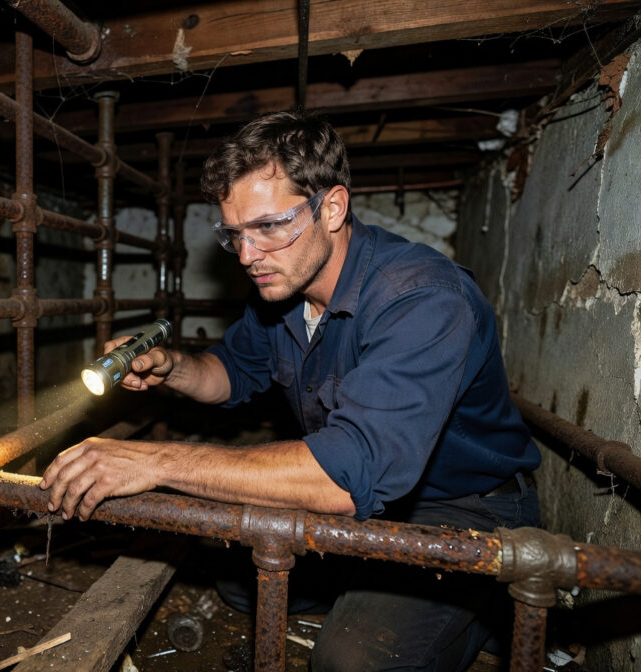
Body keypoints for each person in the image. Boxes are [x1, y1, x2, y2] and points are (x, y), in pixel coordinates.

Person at [40, 111, 541, 671]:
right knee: (233, 575)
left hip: (462, 509)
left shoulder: (423, 298)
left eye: (270, 227)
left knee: (351, 660)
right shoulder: (283, 291)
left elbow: (347, 473)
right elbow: (232, 370)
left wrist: (155, 460)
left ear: (332, 207)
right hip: (369, 504)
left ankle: (477, 608)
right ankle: (374, 589)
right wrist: (172, 366)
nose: (249, 256)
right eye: (234, 235)